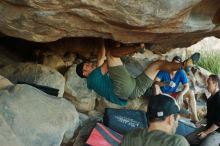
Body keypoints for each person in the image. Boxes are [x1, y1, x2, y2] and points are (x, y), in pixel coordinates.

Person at [76, 41, 199, 106]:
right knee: (111, 54)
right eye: (87, 66)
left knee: (158, 64)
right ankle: (137, 48)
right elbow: (104, 60)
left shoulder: (96, 78)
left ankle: (183, 65)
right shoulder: (92, 79)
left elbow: (101, 60)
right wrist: (104, 40)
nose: (90, 65)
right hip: (123, 90)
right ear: (84, 72)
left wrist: (116, 46)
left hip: (134, 91)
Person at [120, 94, 190, 146]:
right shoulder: (176, 142)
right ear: (170, 119)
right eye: (177, 120)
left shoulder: (130, 135)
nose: (177, 124)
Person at [154, 56, 199, 122]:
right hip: (161, 95)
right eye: (174, 63)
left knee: (191, 92)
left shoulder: (180, 72)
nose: (175, 66)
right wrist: (166, 83)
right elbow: (155, 82)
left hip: (172, 95)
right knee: (156, 86)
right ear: (171, 63)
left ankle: (195, 118)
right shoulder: (164, 70)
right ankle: (157, 110)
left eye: (177, 64)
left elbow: (187, 86)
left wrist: (181, 94)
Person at [186, 74, 220, 146]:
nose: (207, 85)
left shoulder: (219, 98)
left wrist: (205, 133)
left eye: (209, 83)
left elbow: (218, 122)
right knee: (188, 139)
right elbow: (208, 116)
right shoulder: (211, 98)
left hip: (217, 132)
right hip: (208, 128)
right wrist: (199, 123)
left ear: (216, 84)